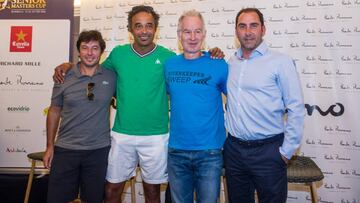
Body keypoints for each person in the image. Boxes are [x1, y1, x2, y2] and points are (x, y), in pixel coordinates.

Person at [52, 5, 224, 203]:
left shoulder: (168, 59)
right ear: (130, 29)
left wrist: (212, 53)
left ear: (156, 29)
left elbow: (193, 62)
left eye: (149, 26)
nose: (144, 31)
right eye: (138, 26)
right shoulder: (118, 54)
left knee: (152, 191)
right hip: (122, 134)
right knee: (112, 189)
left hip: (156, 136)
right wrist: (69, 65)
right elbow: (93, 67)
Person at [224, 8, 305, 203]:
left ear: (263, 29)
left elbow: (296, 107)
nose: (248, 31)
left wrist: (286, 152)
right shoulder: (231, 62)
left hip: (268, 152)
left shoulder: (280, 62)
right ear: (236, 31)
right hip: (234, 151)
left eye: (254, 25)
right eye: (242, 26)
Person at [43, 30, 116, 203]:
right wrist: (49, 146)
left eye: (95, 48)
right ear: (78, 51)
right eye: (85, 48)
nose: (90, 53)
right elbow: (54, 110)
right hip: (66, 150)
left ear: (101, 51)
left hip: (98, 151)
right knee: (57, 199)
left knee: (93, 199)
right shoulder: (63, 75)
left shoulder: (111, 77)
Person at [165, 10, 228, 203]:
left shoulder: (219, 64)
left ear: (204, 34)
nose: (192, 37)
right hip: (177, 152)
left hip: (209, 152)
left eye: (197, 31)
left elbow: (238, 101)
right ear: (179, 35)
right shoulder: (169, 65)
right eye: (187, 32)